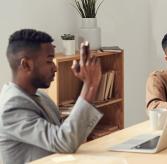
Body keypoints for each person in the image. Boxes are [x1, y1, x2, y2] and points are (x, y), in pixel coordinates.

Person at [0, 29, 103, 164]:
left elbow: (67, 136)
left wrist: (89, 84)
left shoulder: (41, 97)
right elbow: (64, 142)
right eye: (49, 61)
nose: (55, 68)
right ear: (26, 64)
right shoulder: (12, 106)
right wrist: (90, 84)